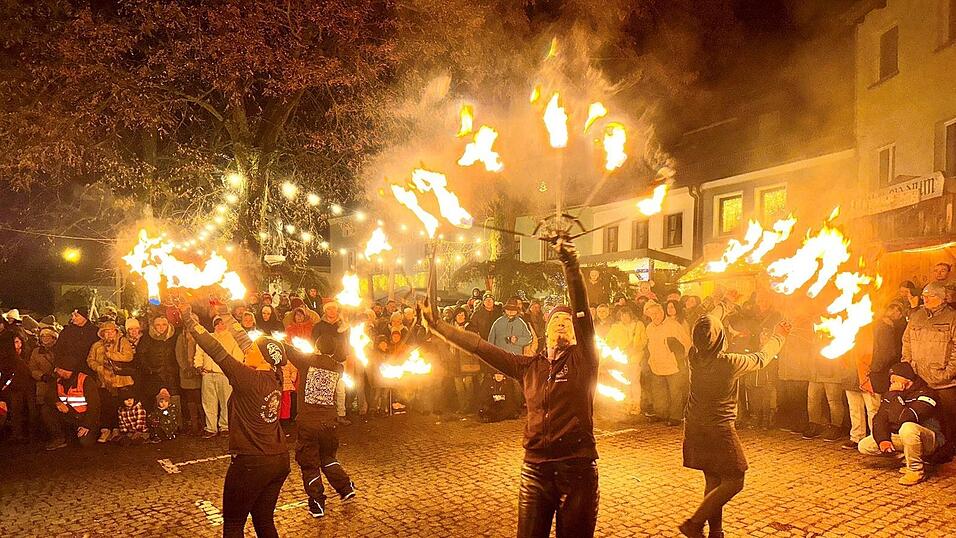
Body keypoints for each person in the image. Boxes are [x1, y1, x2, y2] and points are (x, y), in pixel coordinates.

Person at [421, 237, 599, 538]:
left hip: (577, 469)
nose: (561, 325)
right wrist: (439, 327)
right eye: (556, 322)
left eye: (567, 324)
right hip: (536, 472)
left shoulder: (585, 360)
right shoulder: (529, 366)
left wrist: (571, 266)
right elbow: (481, 348)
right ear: (544, 330)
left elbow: (581, 309)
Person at [180, 305, 290, 538]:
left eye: (253, 349)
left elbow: (215, 348)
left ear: (261, 356)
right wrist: (225, 312)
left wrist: (189, 321)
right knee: (263, 519)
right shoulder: (274, 376)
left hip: (252, 461)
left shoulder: (248, 378)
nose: (247, 348)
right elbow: (244, 339)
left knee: (233, 524)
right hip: (278, 459)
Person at [679, 309, 790, 538]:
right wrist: (779, 336)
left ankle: (716, 532)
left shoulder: (694, 355)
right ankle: (694, 523)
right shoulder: (729, 363)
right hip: (718, 429)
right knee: (735, 479)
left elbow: (703, 326)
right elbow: (760, 359)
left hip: (694, 425)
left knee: (713, 478)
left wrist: (725, 304)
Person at [286, 334, 356, 518]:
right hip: (329, 423)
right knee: (327, 457)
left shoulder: (307, 360)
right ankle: (345, 487)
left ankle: (317, 503)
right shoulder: (338, 368)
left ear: (316, 347)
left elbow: (288, 351)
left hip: (309, 423)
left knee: (309, 463)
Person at [858, 362, 944, 486]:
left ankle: (916, 470)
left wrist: (894, 396)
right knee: (865, 445)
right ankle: (907, 457)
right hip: (905, 436)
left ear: (907, 379)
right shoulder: (893, 394)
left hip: (930, 440)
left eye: (894, 379)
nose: (891, 382)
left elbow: (906, 418)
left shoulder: (926, 394)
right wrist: (883, 440)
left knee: (907, 427)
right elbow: (879, 419)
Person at [901, 281, 956, 462]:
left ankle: (949, 449)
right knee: (926, 417)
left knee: (949, 418)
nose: (925, 299)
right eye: (924, 296)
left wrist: (948, 372)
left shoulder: (952, 318)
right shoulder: (917, 316)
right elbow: (906, 342)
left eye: (930, 296)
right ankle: (930, 449)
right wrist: (908, 365)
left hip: (944, 381)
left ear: (941, 298)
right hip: (919, 378)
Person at [86, 320, 135, 443]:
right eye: (106, 332)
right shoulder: (96, 345)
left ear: (116, 331)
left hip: (120, 380)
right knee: (106, 407)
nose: (109, 334)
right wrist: (98, 367)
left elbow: (128, 356)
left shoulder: (122, 342)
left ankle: (119, 430)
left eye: (111, 331)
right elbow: (90, 360)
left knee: (120, 405)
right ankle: (106, 430)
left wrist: (112, 355)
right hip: (103, 381)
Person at [645, 300, 692, 426]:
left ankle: (676, 417)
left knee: (675, 392)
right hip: (656, 364)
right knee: (659, 392)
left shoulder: (673, 325)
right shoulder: (649, 328)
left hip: (673, 365)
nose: (655, 316)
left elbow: (686, 343)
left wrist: (680, 358)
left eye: (656, 313)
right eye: (652, 314)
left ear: (661, 312)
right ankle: (661, 414)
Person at [196, 316, 241, 438]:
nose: (220, 326)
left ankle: (225, 426)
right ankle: (211, 427)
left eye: (222, 323)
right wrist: (199, 365)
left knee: (226, 401)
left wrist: (232, 370)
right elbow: (200, 351)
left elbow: (237, 355)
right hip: (208, 373)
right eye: (217, 324)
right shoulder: (208, 337)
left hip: (224, 374)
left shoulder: (232, 339)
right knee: (208, 402)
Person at [605, 305, 647, 415]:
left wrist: (635, 349)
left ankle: (636, 405)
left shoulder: (639, 325)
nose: (624, 318)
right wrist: (616, 350)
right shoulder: (616, 327)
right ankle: (627, 403)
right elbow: (609, 341)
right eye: (622, 316)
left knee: (634, 382)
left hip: (635, 358)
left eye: (626, 315)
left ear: (630, 315)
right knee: (624, 382)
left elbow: (644, 340)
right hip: (622, 359)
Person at [50, 362, 100, 449]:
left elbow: (95, 406)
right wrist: (57, 402)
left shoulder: (86, 381)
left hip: (83, 417)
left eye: (58, 369)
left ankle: (92, 432)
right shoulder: (59, 380)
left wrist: (86, 425)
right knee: (46, 410)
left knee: (85, 442)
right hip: (68, 417)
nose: (55, 371)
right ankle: (60, 437)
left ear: (65, 370)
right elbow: (49, 395)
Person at [29, 326, 61, 448]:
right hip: (44, 385)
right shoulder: (36, 352)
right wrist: (42, 376)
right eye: (42, 336)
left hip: (59, 382)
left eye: (47, 335)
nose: (44, 338)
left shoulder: (59, 349)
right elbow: (32, 368)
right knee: (44, 409)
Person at [136, 315, 179, 405]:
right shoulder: (147, 338)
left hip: (172, 375)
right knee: (157, 401)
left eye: (164, 324)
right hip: (154, 375)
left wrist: (175, 368)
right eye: (158, 325)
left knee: (174, 400)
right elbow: (141, 355)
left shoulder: (174, 337)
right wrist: (149, 369)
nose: (161, 327)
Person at [1, 335, 34, 444]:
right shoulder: (8, 358)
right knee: (16, 408)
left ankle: (27, 432)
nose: (17, 345)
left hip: (26, 386)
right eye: (14, 342)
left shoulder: (26, 354)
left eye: (18, 341)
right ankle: (17, 433)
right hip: (15, 388)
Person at [869, 302, 907, 395]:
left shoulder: (896, 326)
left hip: (890, 368)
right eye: (892, 308)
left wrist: (876, 367)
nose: (894, 312)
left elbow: (888, 352)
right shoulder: (882, 326)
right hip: (882, 369)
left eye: (898, 310)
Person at [175, 327, 204, 436]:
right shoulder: (181, 338)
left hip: (198, 372)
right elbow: (179, 354)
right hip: (186, 373)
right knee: (190, 398)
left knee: (199, 398)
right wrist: (185, 368)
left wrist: (198, 368)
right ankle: (194, 424)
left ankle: (203, 423)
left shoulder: (200, 337)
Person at [53, 308, 99, 376]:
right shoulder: (66, 332)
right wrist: (59, 365)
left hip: (88, 372)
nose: (73, 318)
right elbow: (58, 349)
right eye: (72, 315)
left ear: (84, 317)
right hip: (69, 371)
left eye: (76, 315)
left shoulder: (95, 332)